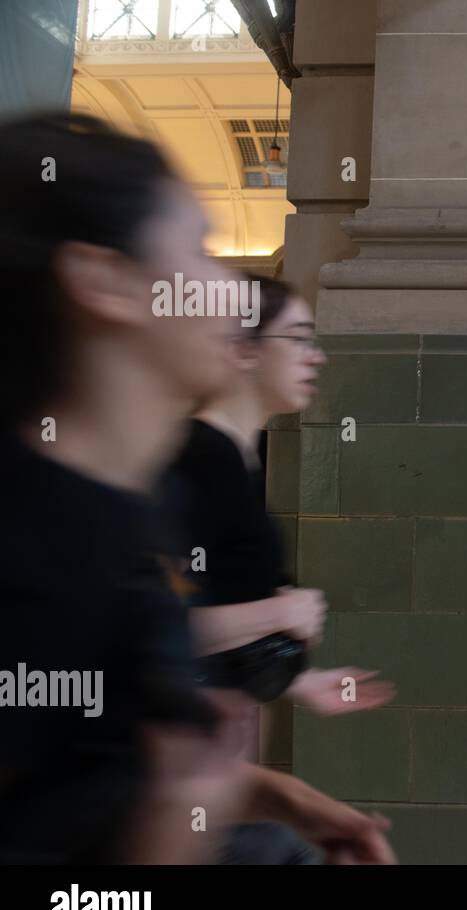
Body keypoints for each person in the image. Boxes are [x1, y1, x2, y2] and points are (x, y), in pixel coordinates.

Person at [0, 113, 393, 864]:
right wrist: (178, 824)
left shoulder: (132, 514)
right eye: (200, 251)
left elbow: (107, 772)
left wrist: (277, 797)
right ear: (103, 281)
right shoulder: (33, 554)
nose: (231, 293)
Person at [167, 275, 395, 717]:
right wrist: (279, 614)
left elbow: (221, 604)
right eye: (297, 339)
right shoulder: (200, 457)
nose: (316, 357)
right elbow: (148, 625)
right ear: (243, 349)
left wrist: (301, 681)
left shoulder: (240, 457)